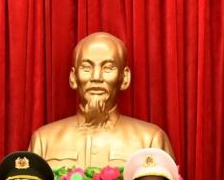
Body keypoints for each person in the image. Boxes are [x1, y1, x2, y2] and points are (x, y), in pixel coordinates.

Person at [28, 32, 173, 170]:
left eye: (108, 68)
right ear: (73, 77)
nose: (96, 77)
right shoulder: (44, 140)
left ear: (125, 78)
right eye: (86, 68)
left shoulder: (150, 140)